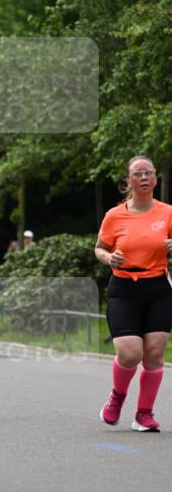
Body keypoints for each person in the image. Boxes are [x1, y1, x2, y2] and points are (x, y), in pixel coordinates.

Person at [95, 155, 172, 432]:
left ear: (155, 179)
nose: (143, 177)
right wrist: (108, 258)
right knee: (129, 353)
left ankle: (144, 414)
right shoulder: (115, 215)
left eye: (148, 173)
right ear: (127, 181)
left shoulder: (167, 212)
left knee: (154, 353)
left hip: (157, 288)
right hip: (124, 287)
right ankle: (117, 397)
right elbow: (99, 247)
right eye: (137, 173)